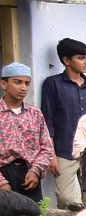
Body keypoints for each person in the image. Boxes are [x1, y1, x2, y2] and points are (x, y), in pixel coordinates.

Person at [39, 39, 86, 208]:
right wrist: (51, 154)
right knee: (68, 201)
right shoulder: (53, 84)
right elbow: (47, 121)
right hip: (64, 151)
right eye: (81, 58)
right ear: (66, 60)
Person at [0, 62, 54, 201]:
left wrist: (36, 171)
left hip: (29, 177)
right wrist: (2, 182)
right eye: (17, 82)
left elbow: (46, 147)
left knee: (34, 213)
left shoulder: (35, 113)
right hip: (4, 173)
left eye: (27, 83)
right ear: (4, 84)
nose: (23, 87)